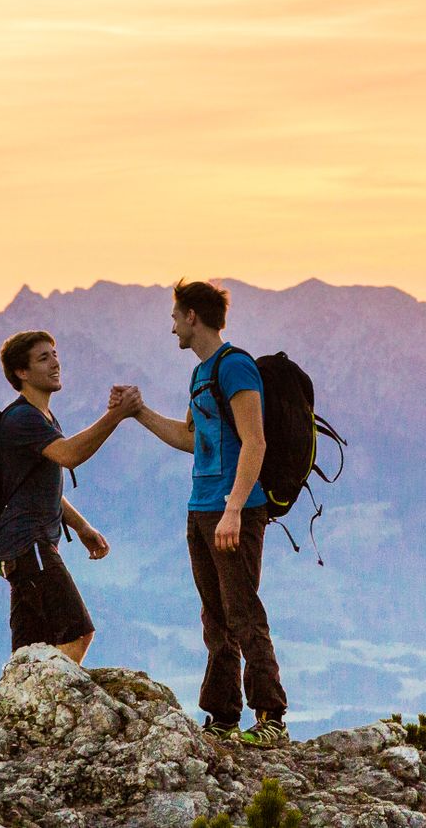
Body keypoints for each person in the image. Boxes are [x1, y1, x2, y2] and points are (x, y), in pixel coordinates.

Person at [129, 280, 289, 744]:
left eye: (175, 316)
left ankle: (271, 718)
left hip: (233, 510)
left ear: (193, 316)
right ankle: (222, 717)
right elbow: (188, 438)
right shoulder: (201, 375)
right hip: (201, 508)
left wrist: (234, 508)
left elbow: (254, 441)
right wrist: (137, 413)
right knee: (214, 617)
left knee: (242, 611)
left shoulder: (235, 367)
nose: (172, 326)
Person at [0, 329, 141, 664]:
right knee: (77, 633)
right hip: (29, 545)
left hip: (21, 547)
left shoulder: (39, 415)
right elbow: (70, 454)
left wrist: (83, 527)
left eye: (55, 354)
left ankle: (21, 710)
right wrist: (117, 415)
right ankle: (51, 704)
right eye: (43, 358)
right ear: (22, 372)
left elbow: (40, 488)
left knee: (29, 653)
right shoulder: (22, 419)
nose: (55, 363)